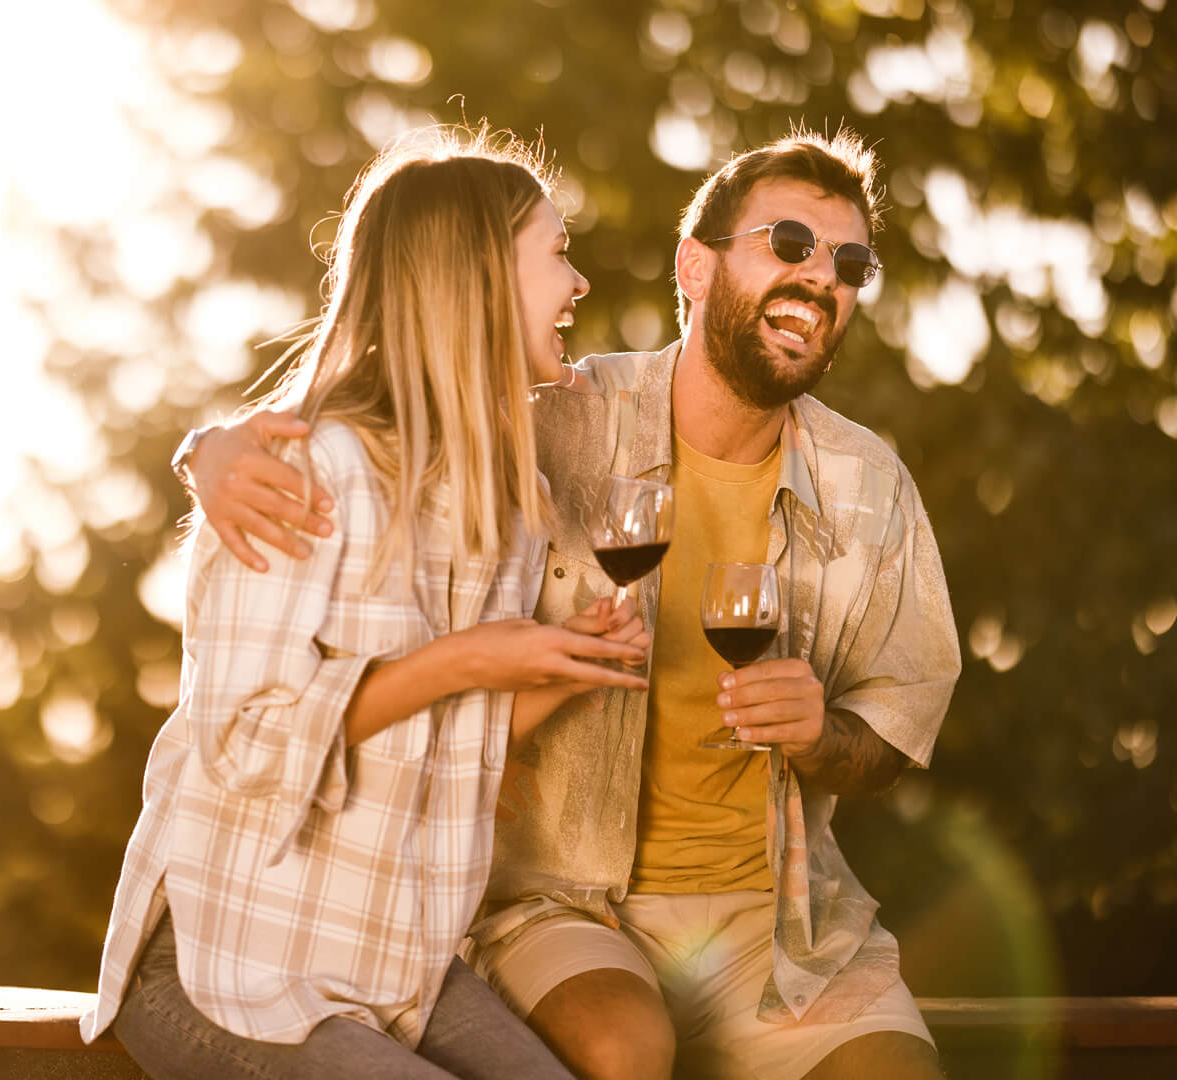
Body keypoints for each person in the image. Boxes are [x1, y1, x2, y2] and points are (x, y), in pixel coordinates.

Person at [180, 127, 962, 1080]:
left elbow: (892, 733)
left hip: (780, 922)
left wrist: (820, 734)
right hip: (559, 898)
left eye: (849, 261)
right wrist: (212, 450)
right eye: (789, 244)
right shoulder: (556, 417)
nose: (822, 276)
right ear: (696, 266)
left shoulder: (871, 486)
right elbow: (403, 386)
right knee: (623, 1054)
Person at [80, 127, 655, 1079]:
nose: (580, 283)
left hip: (392, 963)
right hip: (224, 962)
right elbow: (246, 746)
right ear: (474, 282)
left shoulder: (505, 512)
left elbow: (455, 740)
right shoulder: (304, 474)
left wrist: (561, 665)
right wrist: (468, 658)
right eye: (557, 254)